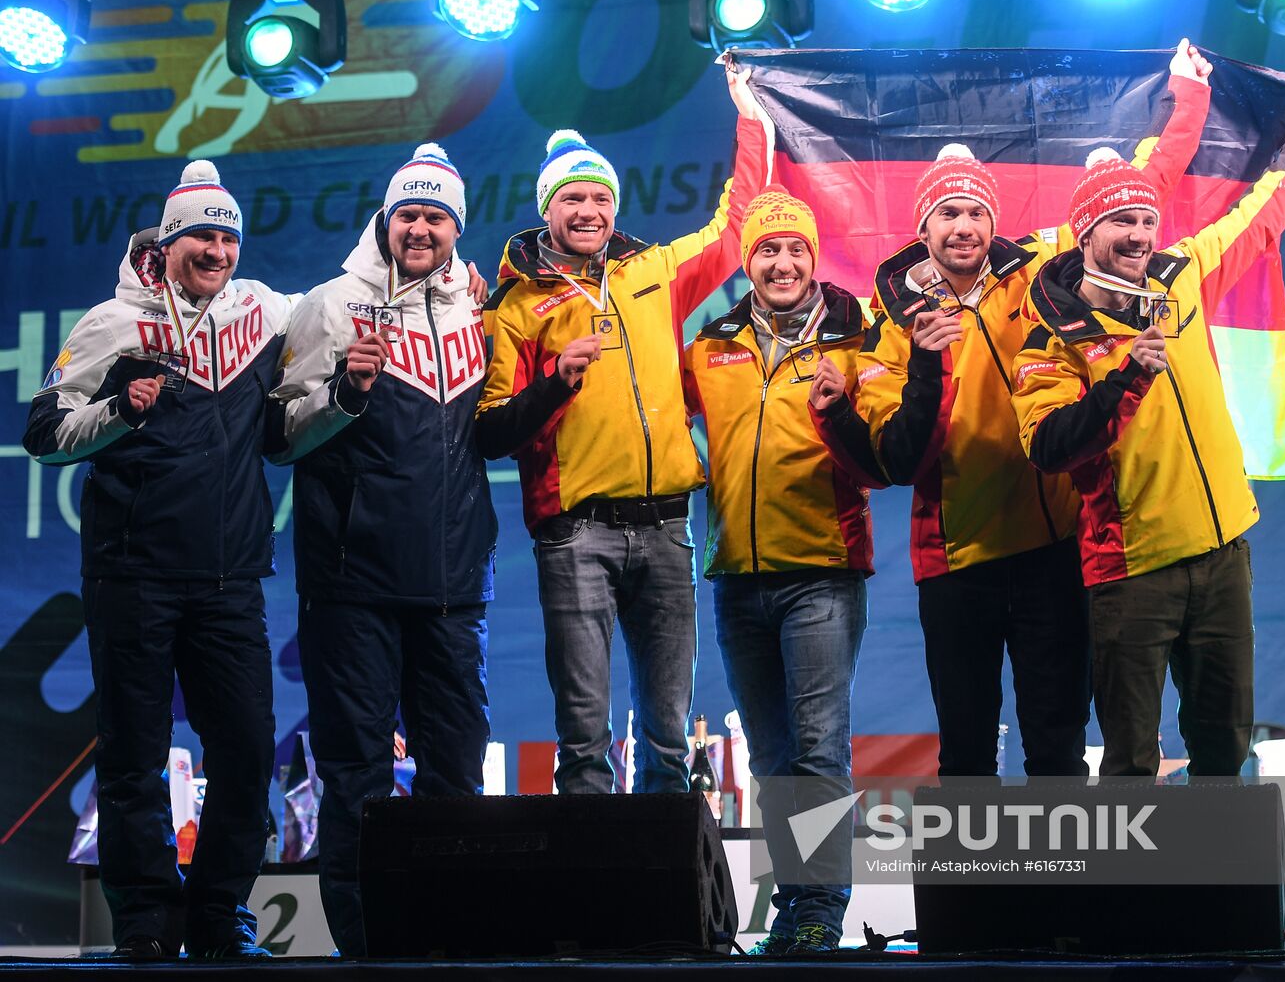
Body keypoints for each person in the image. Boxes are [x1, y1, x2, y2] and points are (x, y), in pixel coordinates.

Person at [822, 41, 1212, 779]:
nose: (963, 226)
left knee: (1057, 748)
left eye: (974, 211)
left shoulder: (1037, 268)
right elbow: (899, 457)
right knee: (966, 753)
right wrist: (927, 365)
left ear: (991, 220)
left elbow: (1136, 193)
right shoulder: (890, 320)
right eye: (947, 213)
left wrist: (1187, 99)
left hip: (1054, 550)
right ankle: (976, 898)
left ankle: (1058, 896)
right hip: (955, 563)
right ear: (923, 228)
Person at [1011, 94, 1285, 779]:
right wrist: (1125, 377)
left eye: (1146, 220)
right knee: (1131, 760)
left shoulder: (1183, 276)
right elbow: (1048, 444)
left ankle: (1227, 889)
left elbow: (1264, 214)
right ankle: (1133, 890)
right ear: (1085, 233)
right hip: (1132, 570)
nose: (1139, 234)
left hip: (1222, 553)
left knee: (1224, 748)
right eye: (1121, 222)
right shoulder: (1050, 337)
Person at [24, 161, 294, 958]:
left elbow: (346, 308)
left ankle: (218, 915)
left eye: (226, 237)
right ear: (167, 243)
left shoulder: (263, 312)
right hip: (132, 575)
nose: (215, 250)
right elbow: (45, 433)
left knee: (246, 751)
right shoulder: (113, 323)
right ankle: (144, 919)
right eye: (199, 236)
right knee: (135, 757)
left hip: (229, 579)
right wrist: (117, 409)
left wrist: (457, 282)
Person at [476, 68, 769, 795]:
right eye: (572, 198)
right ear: (547, 210)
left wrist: (751, 115)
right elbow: (488, 430)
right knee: (583, 743)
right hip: (576, 534)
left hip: (670, 527)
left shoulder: (655, 273)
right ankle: (594, 905)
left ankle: (662, 903)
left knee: (669, 742)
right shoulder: (515, 307)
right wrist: (555, 383)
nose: (588, 209)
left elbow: (737, 224)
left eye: (600, 197)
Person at [266, 142, 494, 956]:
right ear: (386, 219)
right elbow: (278, 435)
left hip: (453, 581)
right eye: (410, 214)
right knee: (357, 773)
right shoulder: (329, 304)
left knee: (456, 772)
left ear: (455, 227)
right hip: (351, 581)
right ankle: (364, 946)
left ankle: (450, 936)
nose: (421, 229)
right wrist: (346, 393)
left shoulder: (478, 305)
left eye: (437, 216)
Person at [682, 188, 879, 954]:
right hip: (736, 578)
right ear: (749, 262)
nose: (784, 261)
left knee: (819, 748)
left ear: (813, 256)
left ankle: (820, 908)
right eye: (768, 249)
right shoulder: (711, 345)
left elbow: (885, 440)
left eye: (796, 248)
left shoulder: (854, 336)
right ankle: (794, 900)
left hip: (822, 573)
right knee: (769, 755)